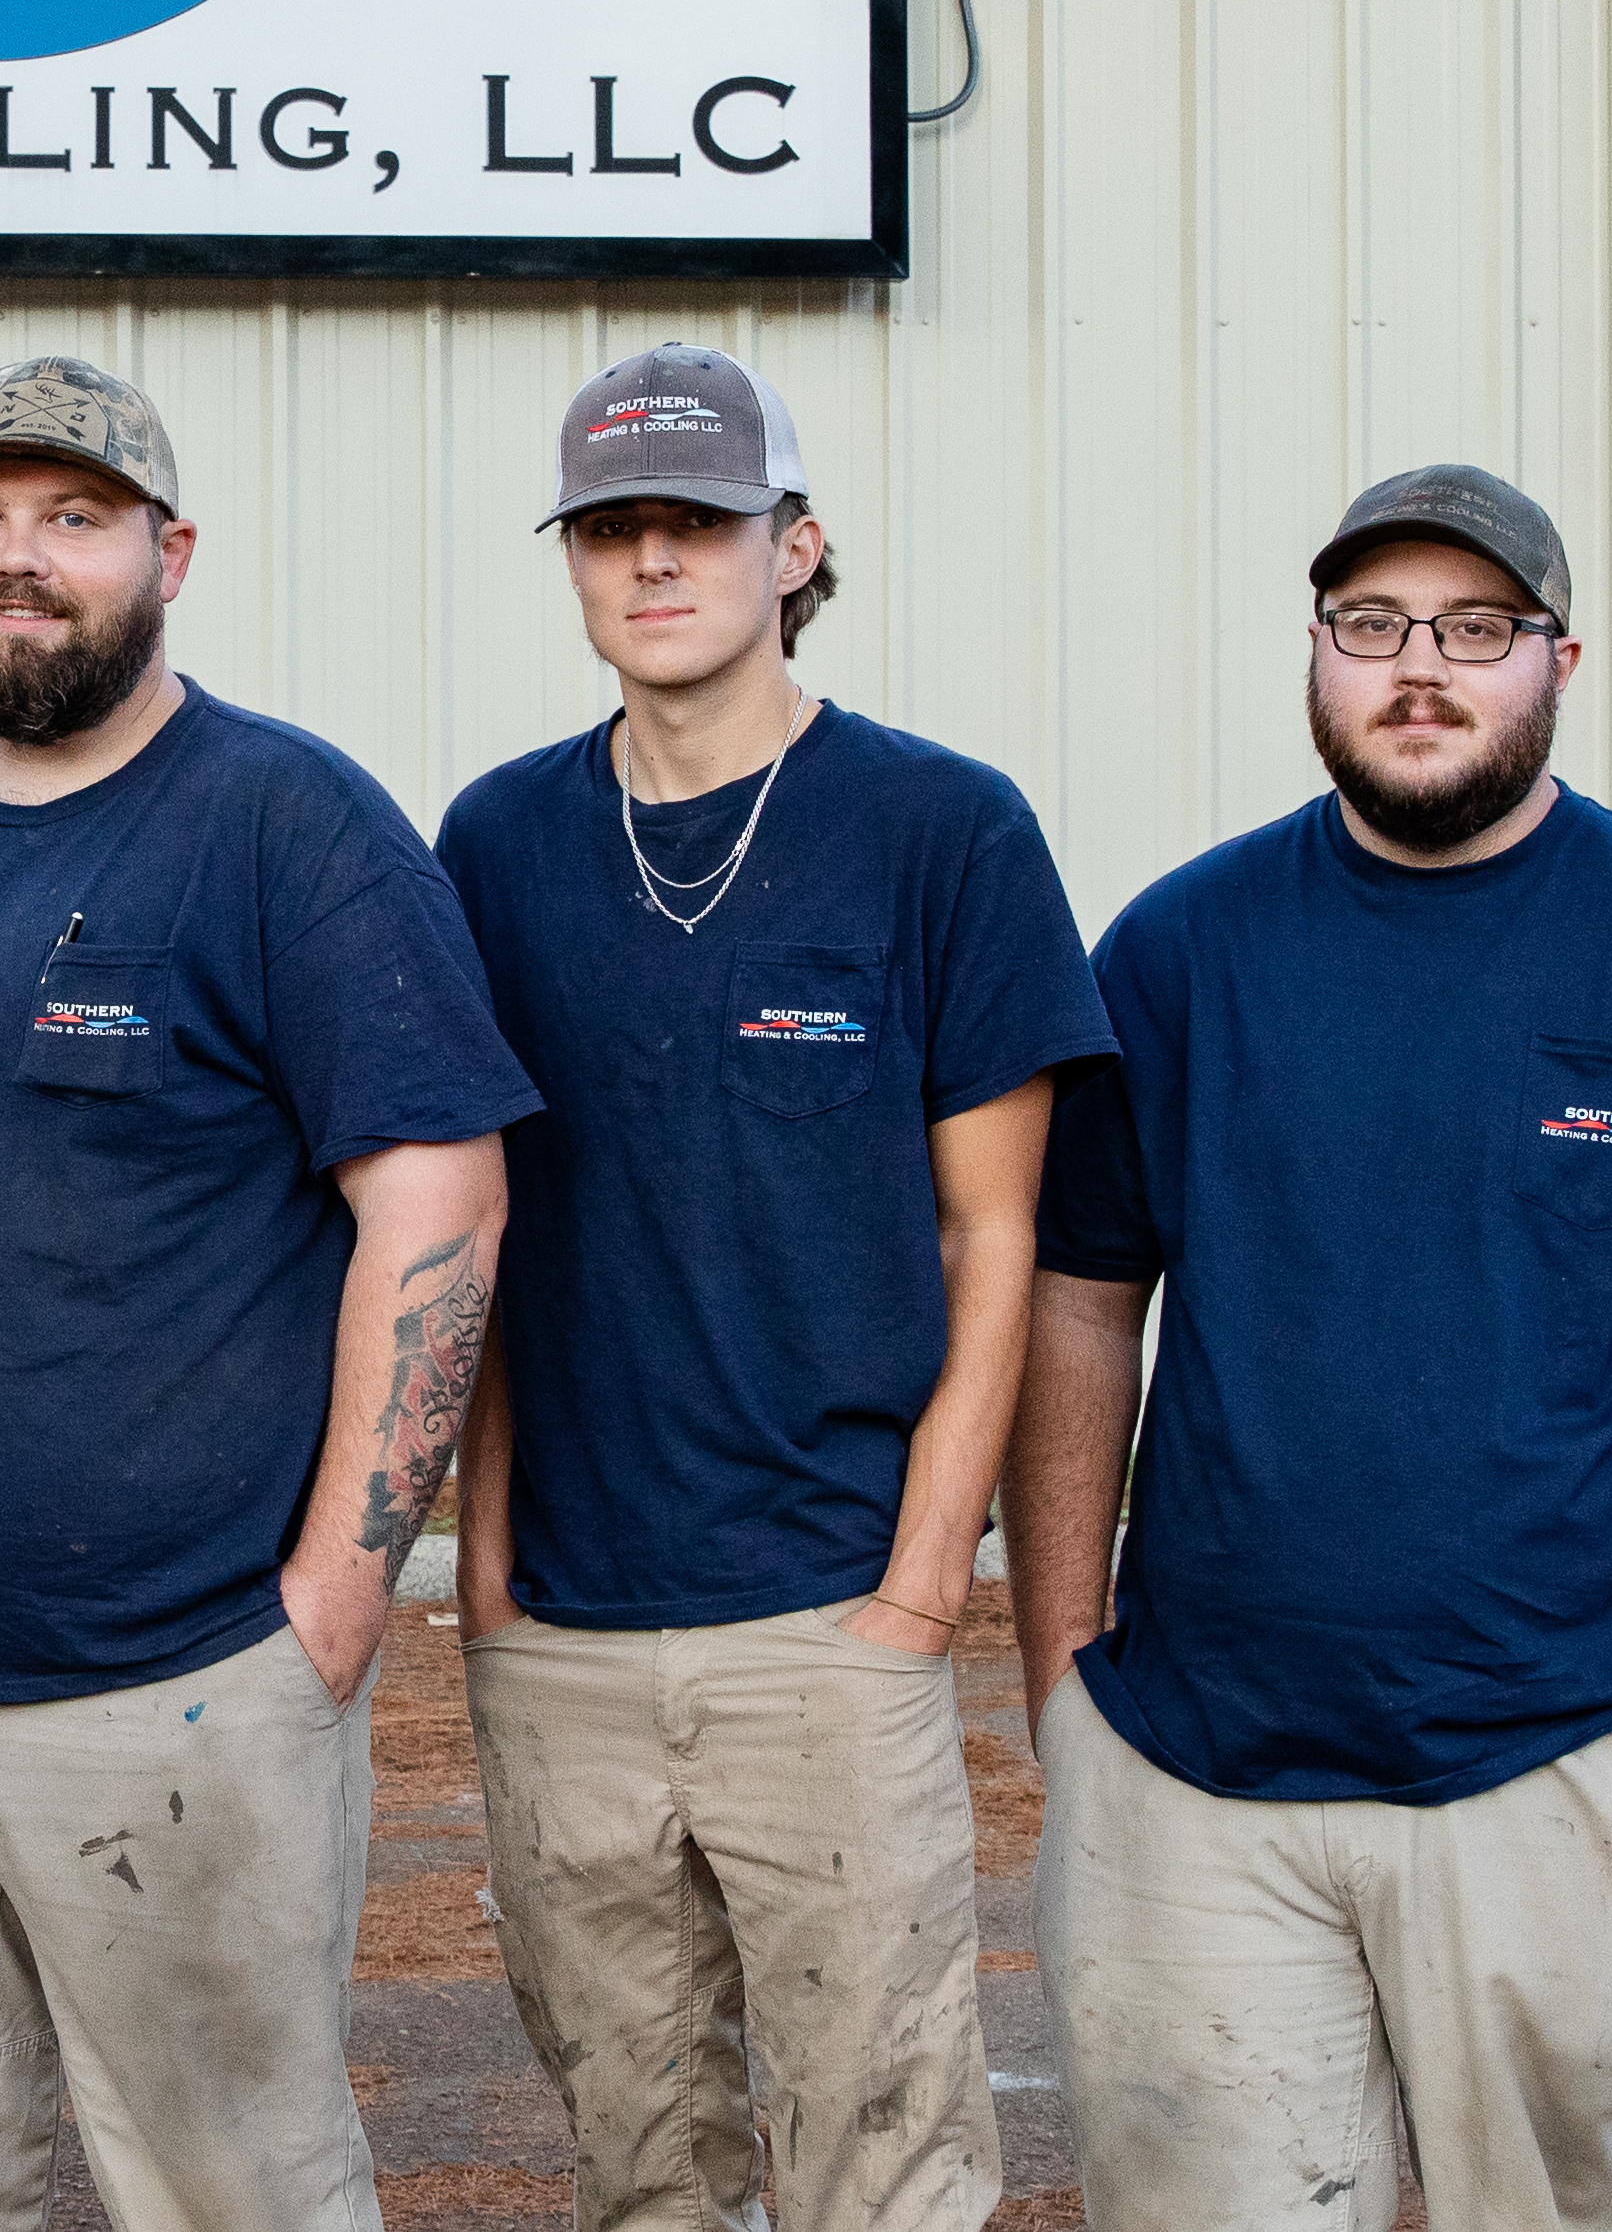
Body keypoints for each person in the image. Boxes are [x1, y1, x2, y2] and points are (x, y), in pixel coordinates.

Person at [0, 354, 537, 2231]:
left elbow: (439, 1202)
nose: (21, 560)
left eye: (74, 517)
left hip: (179, 1691)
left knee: (233, 2196)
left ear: (171, 550)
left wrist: (331, 1610)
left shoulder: (292, 827)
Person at [1010, 464, 1612, 2232]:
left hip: (1562, 1770)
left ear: (1558, 659)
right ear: (1320, 659)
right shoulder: (1185, 951)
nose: (1420, 668)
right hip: (1198, 1779)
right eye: (1372, 627)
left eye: (1475, 630)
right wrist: (1064, 1673)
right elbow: (1080, 1304)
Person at [436, 343, 1110, 2232]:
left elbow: (1002, 1240)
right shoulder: (492, 843)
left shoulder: (940, 831)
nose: (656, 564)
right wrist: (488, 1573)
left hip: (828, 1617)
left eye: (702, 527)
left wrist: (919, 1587)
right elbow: (471, 1221)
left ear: (794, 546)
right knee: (641, 2158)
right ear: (573, 565)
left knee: (879, 2161)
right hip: (561, 1630)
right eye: (613, 530)